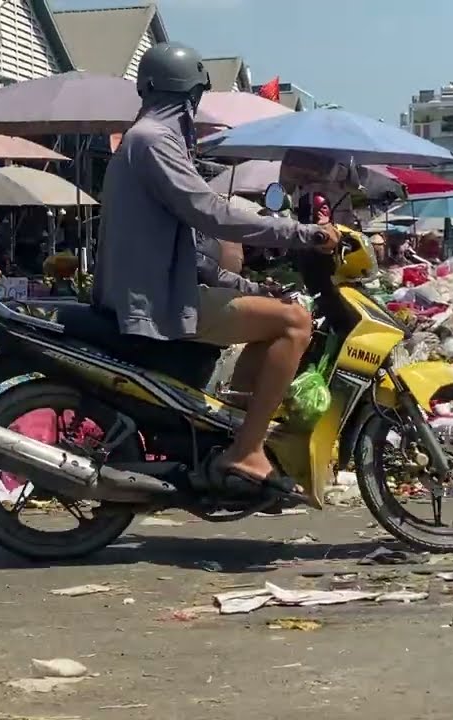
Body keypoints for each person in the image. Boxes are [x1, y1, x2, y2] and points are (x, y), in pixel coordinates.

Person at [92, 41, 339, 499]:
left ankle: (229, 432)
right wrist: (300, 232)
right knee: (295, 322)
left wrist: (244, 283)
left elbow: (185, 245)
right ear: (189, 97)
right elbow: (212, 213)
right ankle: (246, 450)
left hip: (159, 290)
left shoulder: (144, 139)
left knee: (276, 310)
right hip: (156, 303)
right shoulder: (154, 140)